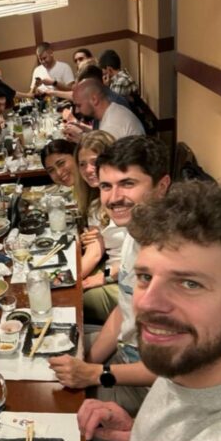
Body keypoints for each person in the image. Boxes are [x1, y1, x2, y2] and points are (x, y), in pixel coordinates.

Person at [78, 180, 221, 441]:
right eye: (145, 277)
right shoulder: (184, 366)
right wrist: (138, 435)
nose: (146, 302)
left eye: (189, 284)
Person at [49, 136, 171, 441]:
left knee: (81, 432)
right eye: (106, 186)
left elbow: (172, 370)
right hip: (126, 355)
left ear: (162, 186)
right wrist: (86, 358)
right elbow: (122, 309)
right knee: (51, 359)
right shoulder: (134, 233)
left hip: (153, 385)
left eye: (128, 183)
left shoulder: (170, 259)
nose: (114, 197)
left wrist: (97, 374)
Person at [74, 131, 126, 325]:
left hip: (129, 280)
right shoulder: (97, 204)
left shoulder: (128, 200)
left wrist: (104, 276)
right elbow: (95, 252)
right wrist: (70, 281)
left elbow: (137, 258)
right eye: (82, 164)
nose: (88, 169)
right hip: (113, 271)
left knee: (74, 303)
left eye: (94, 161)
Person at [69, 79, 144, 142]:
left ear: (94, 100)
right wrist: (82, 128)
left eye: (79, 105)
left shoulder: (112, 124)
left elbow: (101, 156)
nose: (77, 111)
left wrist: (81, 140)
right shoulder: (112, 110)